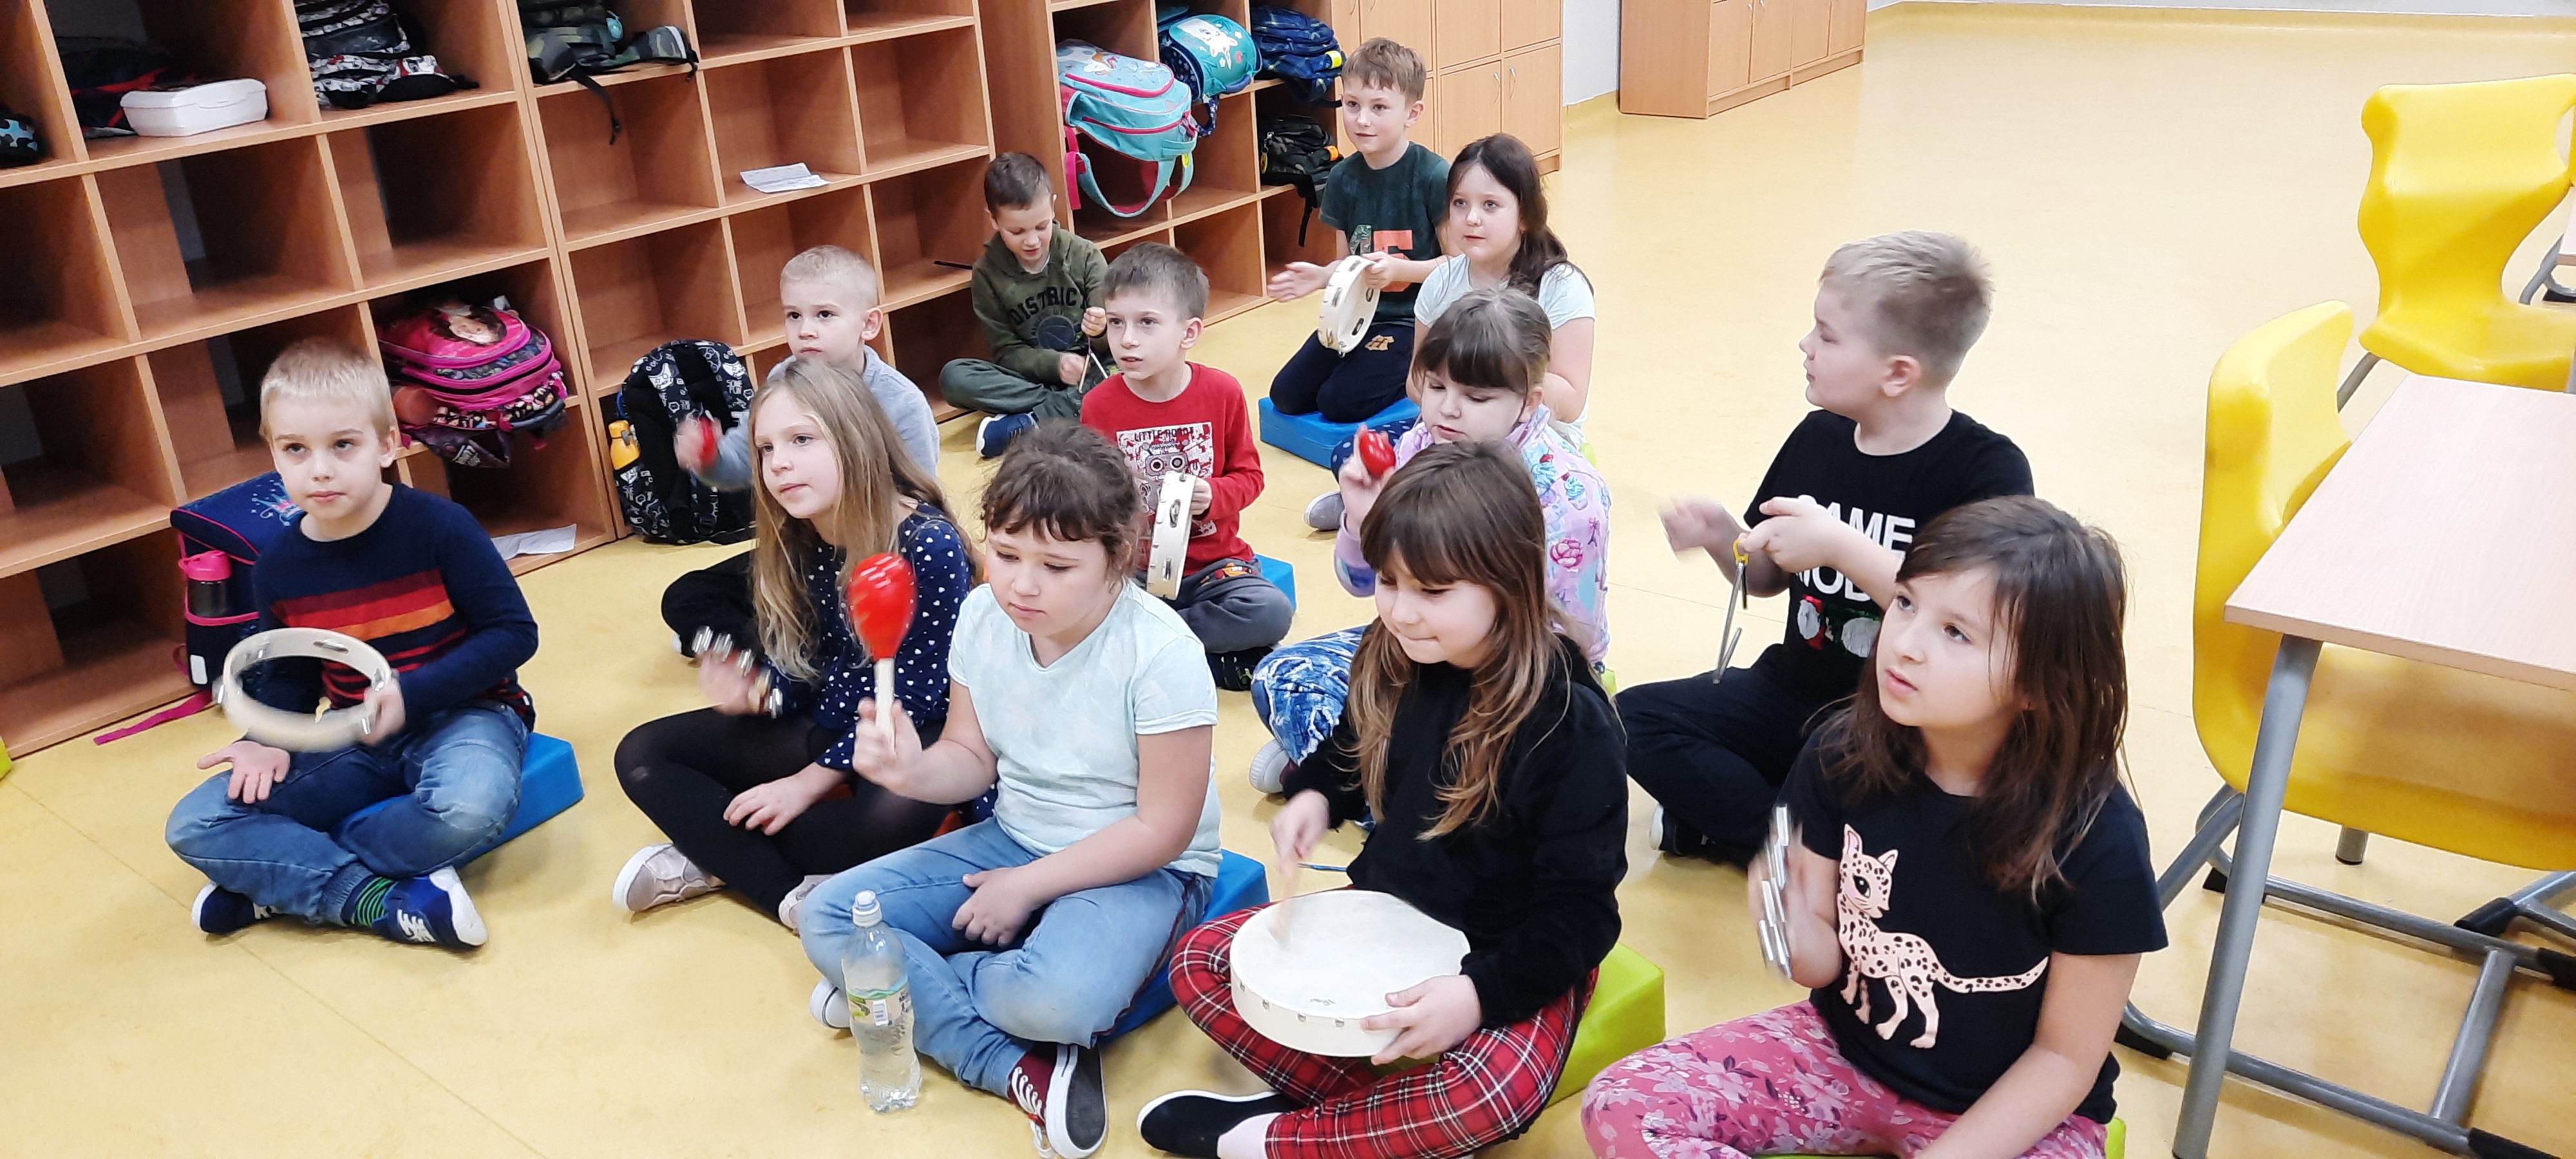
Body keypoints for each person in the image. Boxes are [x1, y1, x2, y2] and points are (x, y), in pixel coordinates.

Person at [1583, 496, 2164, 1159]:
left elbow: (2064, 1059)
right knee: (1622, 1103)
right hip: (1840, 1054)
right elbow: (1818, 964)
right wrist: (1782, 919)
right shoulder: (1840, 750)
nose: (1905, 644)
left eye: (1957, 633)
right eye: (1907, 603)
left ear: (2040, 682)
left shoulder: (2097, 834)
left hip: (2016, 1110)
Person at [1139, 442, 1625, 1159]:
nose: (1401, 611)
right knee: (1202, 962)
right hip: (1387, 915)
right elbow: (1349, 748)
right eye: (1390, 582)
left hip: (1506, 954)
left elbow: (1582, 915)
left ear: (1508, 581)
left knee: (1489, 1093)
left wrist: (1478, 996)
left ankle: (1274, 1140)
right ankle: (1374, 1126)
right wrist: (1313, 798)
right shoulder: (1398, 651)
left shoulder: (1569, 722)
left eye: (1433, 592)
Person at [798, 422, 1224, 1159]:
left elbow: (1164, 829)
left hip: (1143, 865)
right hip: (1016, 835)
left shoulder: (1161, 655)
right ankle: (1011, 1065)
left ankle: (909, 991)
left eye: (1057, 566)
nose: (1023, 585)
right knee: (830, 915)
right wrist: (911, 772)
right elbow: (971, 757)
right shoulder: (981, 615)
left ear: (1117, 557)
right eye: (1004, 554)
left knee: (1054, 1001)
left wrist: (1026, 887)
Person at [1623, 231, 2034, 865]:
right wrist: (1724, 537)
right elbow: (1767, 578)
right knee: (1632, 720)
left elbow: (1970, 621)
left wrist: (1842, 547)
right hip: (1793, 691)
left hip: (1902, 720)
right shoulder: (1818, 437)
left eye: (1828, 335)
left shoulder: (1987, 472)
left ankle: (1776, 835)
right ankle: (1804, 847)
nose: (1805, 344)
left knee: (1937, 806)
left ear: (1897, 373)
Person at [165, 339, 538, 949]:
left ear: (387, 445)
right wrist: (265, 739)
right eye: (295, 449)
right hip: (353, 734)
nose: (320, 469)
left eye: (343, 445)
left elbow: (514, 634)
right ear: (273, 454)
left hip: (469, 714)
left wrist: (411, 695)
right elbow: (291, 677)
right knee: (196, 822)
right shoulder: (278, 566)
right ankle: (369, 898)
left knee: (468, 808)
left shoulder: (441, 527)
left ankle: (287, 876)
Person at [611, 358, 975, 931]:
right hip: (831, 717)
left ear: (856, 440)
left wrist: (806, 784)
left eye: (802, 440)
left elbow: (919, 696)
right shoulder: (800, 536)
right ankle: (789, 897)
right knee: (641, 754)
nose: (778, 463)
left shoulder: (928, 544)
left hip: (912, 732)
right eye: (765, 448)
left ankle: (711, 855)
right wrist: (760, 693)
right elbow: (811, 668)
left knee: (881, 824)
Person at [1247, 288, 1607, 794]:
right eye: (1435, 386)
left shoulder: (1569, 496)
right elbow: (1361, 583)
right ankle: (1371, 772)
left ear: (1529, 402)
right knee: (1281, 676)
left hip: (1518, 677)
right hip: (1424, 648)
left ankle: (1364, 777)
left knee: (1489, 761)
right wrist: (1361, 519)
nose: (1447, 410)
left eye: (1476, 398)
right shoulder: (1420, 444)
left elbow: (1566, 645)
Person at [1302, 131, 1598, 531]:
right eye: (1460, 204)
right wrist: (1450, 402)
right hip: (1454, 427)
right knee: (1348, 452)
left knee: (1485, 489)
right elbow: (1417, 382)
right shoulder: (1441, 282)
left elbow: (1571, 400)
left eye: (1490, 205)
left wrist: (1488, 376)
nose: (1471, 218)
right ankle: (1377, 498)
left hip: (1529, 437)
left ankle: (1395, 499)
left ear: (1525, 215)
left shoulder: (1561, 286)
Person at [661, 245, 945, 657]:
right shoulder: (784, 381)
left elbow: (920, 506)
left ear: (868, 324)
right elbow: (744, 463)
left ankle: (773, 646)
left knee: (857, 620)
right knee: (686, 596)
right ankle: (771, 647)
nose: (806, 330)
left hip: (873, 557)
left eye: (824, 315)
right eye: (794, 315)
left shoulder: (901, 403)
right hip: (804, 549)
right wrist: (710, 459)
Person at [1079, 242, 1294, 690]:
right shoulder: (1098, 404)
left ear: (1189, 332)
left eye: (1147, 323)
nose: (1127, 339)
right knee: (1077, 608)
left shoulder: (1222, 392)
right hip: (1135, 572)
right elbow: (1089, 500)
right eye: (1116, 322)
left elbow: (1250, 478)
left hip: (1213, 570)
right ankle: (1192, 653)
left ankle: (1151, 645)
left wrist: (1213, 495)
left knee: (1271, 612)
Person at [1263, 38, 1450, 426]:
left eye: (1379, 107)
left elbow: (1458, 265)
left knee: (1338, 403)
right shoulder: (1342, 177)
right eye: (1352, 105)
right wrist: (1322, 277)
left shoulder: (1433, 175)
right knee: (1287, 395)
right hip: (1358, 316)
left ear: (1412, 113)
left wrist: (1401, 271)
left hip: (1414, 322)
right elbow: (1351, 262)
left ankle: (1421, 370)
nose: (1362, 120)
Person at [941, 151, 1112, 458]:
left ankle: (1032, 421)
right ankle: (1069, 407)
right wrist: (1055, 366)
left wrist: (1101, 329)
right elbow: (1006, 352)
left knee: (1134, 369)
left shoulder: (1085, 255)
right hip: (1036, 378)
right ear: (994, 220)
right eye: (1017, 232)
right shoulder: (987, 273)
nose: (1032, 241)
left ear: (1053, 206)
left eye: (1042, 226)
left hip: (1092, 368)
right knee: (954, 377)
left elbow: (1116, 337)